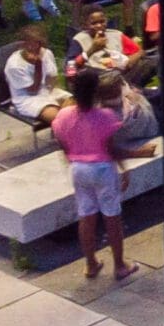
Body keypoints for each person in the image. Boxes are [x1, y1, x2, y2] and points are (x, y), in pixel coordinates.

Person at [51, 68, 136, 282]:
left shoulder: (63, 115)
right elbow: (111, 149)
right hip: (102, 169)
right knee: (111, 216)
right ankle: (119, 266)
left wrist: (69, 155)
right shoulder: (105, 117)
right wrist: (123, 169)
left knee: (86, 216)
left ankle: (91, 263)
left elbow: (60, 139)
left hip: (78, 168)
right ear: (96, 92)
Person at [0, 24, 67, 129]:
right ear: (23, 45)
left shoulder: (46, 53)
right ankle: (70, 141)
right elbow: (33, 91)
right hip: (28, 99)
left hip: (47, 91)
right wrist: (38, 66)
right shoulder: (14, 66)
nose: (35, 48)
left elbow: (52, 81)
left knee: (78, 109)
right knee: (60, 119)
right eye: (30, 45)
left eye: (38, 44)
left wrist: (55, 93)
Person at [97, 70, 160, 157]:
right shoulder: (116, 118)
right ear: (122, 87)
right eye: (124, 83)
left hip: (147, 110)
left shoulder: (99, 113)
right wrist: (136, 153)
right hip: (154, 119)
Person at [72, 7, 139, 73]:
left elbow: (137, 52)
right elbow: (72, 66)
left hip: (121, 72)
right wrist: (93, 49)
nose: (99, 25)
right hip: (96, 77)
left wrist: (127, 63)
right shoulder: (79, 39)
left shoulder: (117, 34)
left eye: (102, 22)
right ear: (85, 25)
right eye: (94, 23)